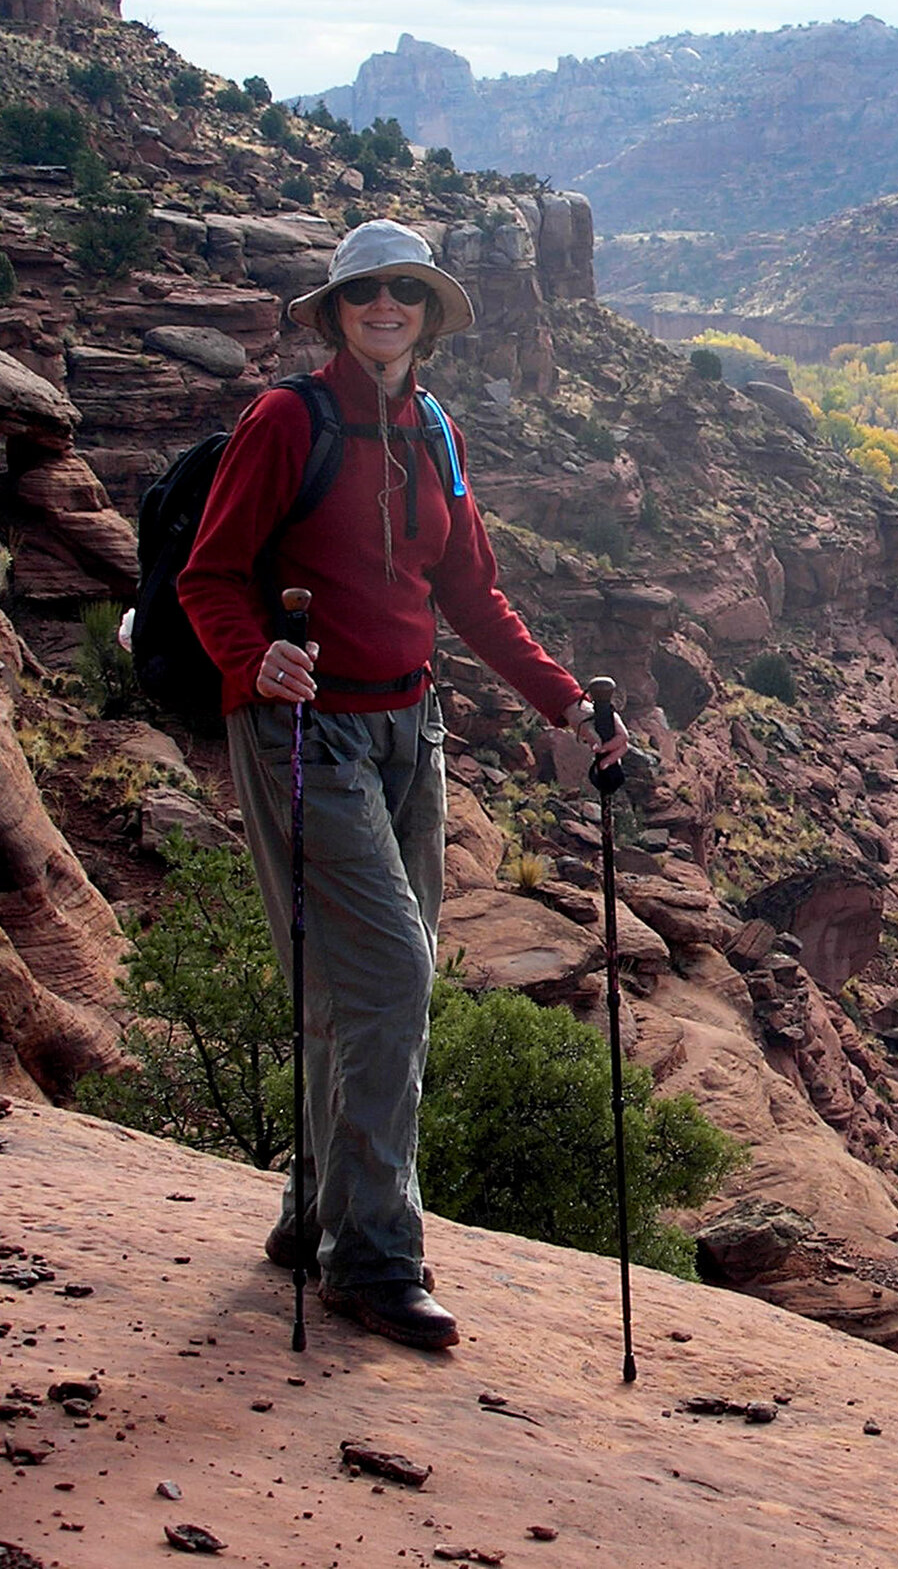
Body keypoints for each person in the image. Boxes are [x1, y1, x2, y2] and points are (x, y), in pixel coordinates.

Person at [180, 217, 627, 1350]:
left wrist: (564, 701)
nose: (387, 306)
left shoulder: (433, 428)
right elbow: (211, 575)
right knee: (387, 971)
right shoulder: (288, 421)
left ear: (430, 315)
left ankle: (315, 1213)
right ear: (334, 311)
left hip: (405, 730)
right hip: (301, 730)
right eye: (366, 291)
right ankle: (373, 1259)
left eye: (408, 292)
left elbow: (472, 593)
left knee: (364, 982)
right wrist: (253, 656)